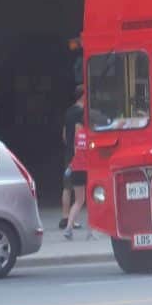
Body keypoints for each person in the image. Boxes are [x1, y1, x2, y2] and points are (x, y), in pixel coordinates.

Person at [60, 86, 84, 230]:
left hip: (68, 151)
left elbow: (64, 134)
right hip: (77, 154)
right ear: (83, 96)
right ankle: (73, 220)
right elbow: (79, 133)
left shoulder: (68, 111)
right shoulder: (81, 113)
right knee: (79, 188)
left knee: (67, 186)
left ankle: (65, 216)